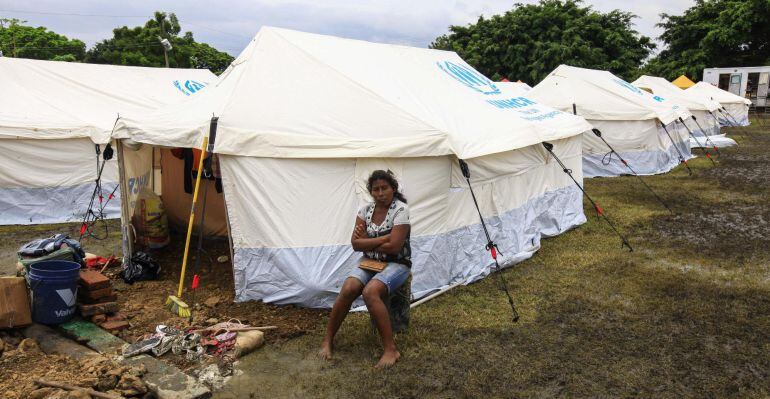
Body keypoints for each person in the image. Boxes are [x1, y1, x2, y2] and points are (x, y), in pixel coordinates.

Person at [319, 170, 411, 368]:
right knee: (349, 288)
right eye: (375, 189)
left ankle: (390, 349)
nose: (380, 193)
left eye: (384, 188)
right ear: (371, 192)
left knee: (371, 292)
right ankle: (328, 339)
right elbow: (355, 244)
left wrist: (367, 241)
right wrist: (384, 238)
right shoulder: (365, 211)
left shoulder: (401, 210)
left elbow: (395, 247)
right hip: (370, 261)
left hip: (397, 263)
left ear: (393, 189)